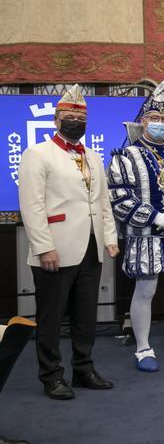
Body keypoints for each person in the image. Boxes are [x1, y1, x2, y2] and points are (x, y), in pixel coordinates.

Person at [18, 85, 118, 399]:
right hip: (56, 249)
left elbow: (102, 201)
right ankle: (51, 376)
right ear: (56, 119)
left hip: (90, 247)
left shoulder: (93, 156)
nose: (75, 119)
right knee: (51, 316)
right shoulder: (37, 153)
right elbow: (31, 205)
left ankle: (84, 369)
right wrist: (44, 246)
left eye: (80, 115)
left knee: (85, 314)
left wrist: (110, 237)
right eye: (68, 115)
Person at [108, 80, 164, 372]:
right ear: (142, 121)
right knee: (145, 290)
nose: (159, 124)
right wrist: (152, 216)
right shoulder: (125, 157)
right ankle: (143, 348)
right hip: (146, 235)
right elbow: (119, 197)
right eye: (154, 119)